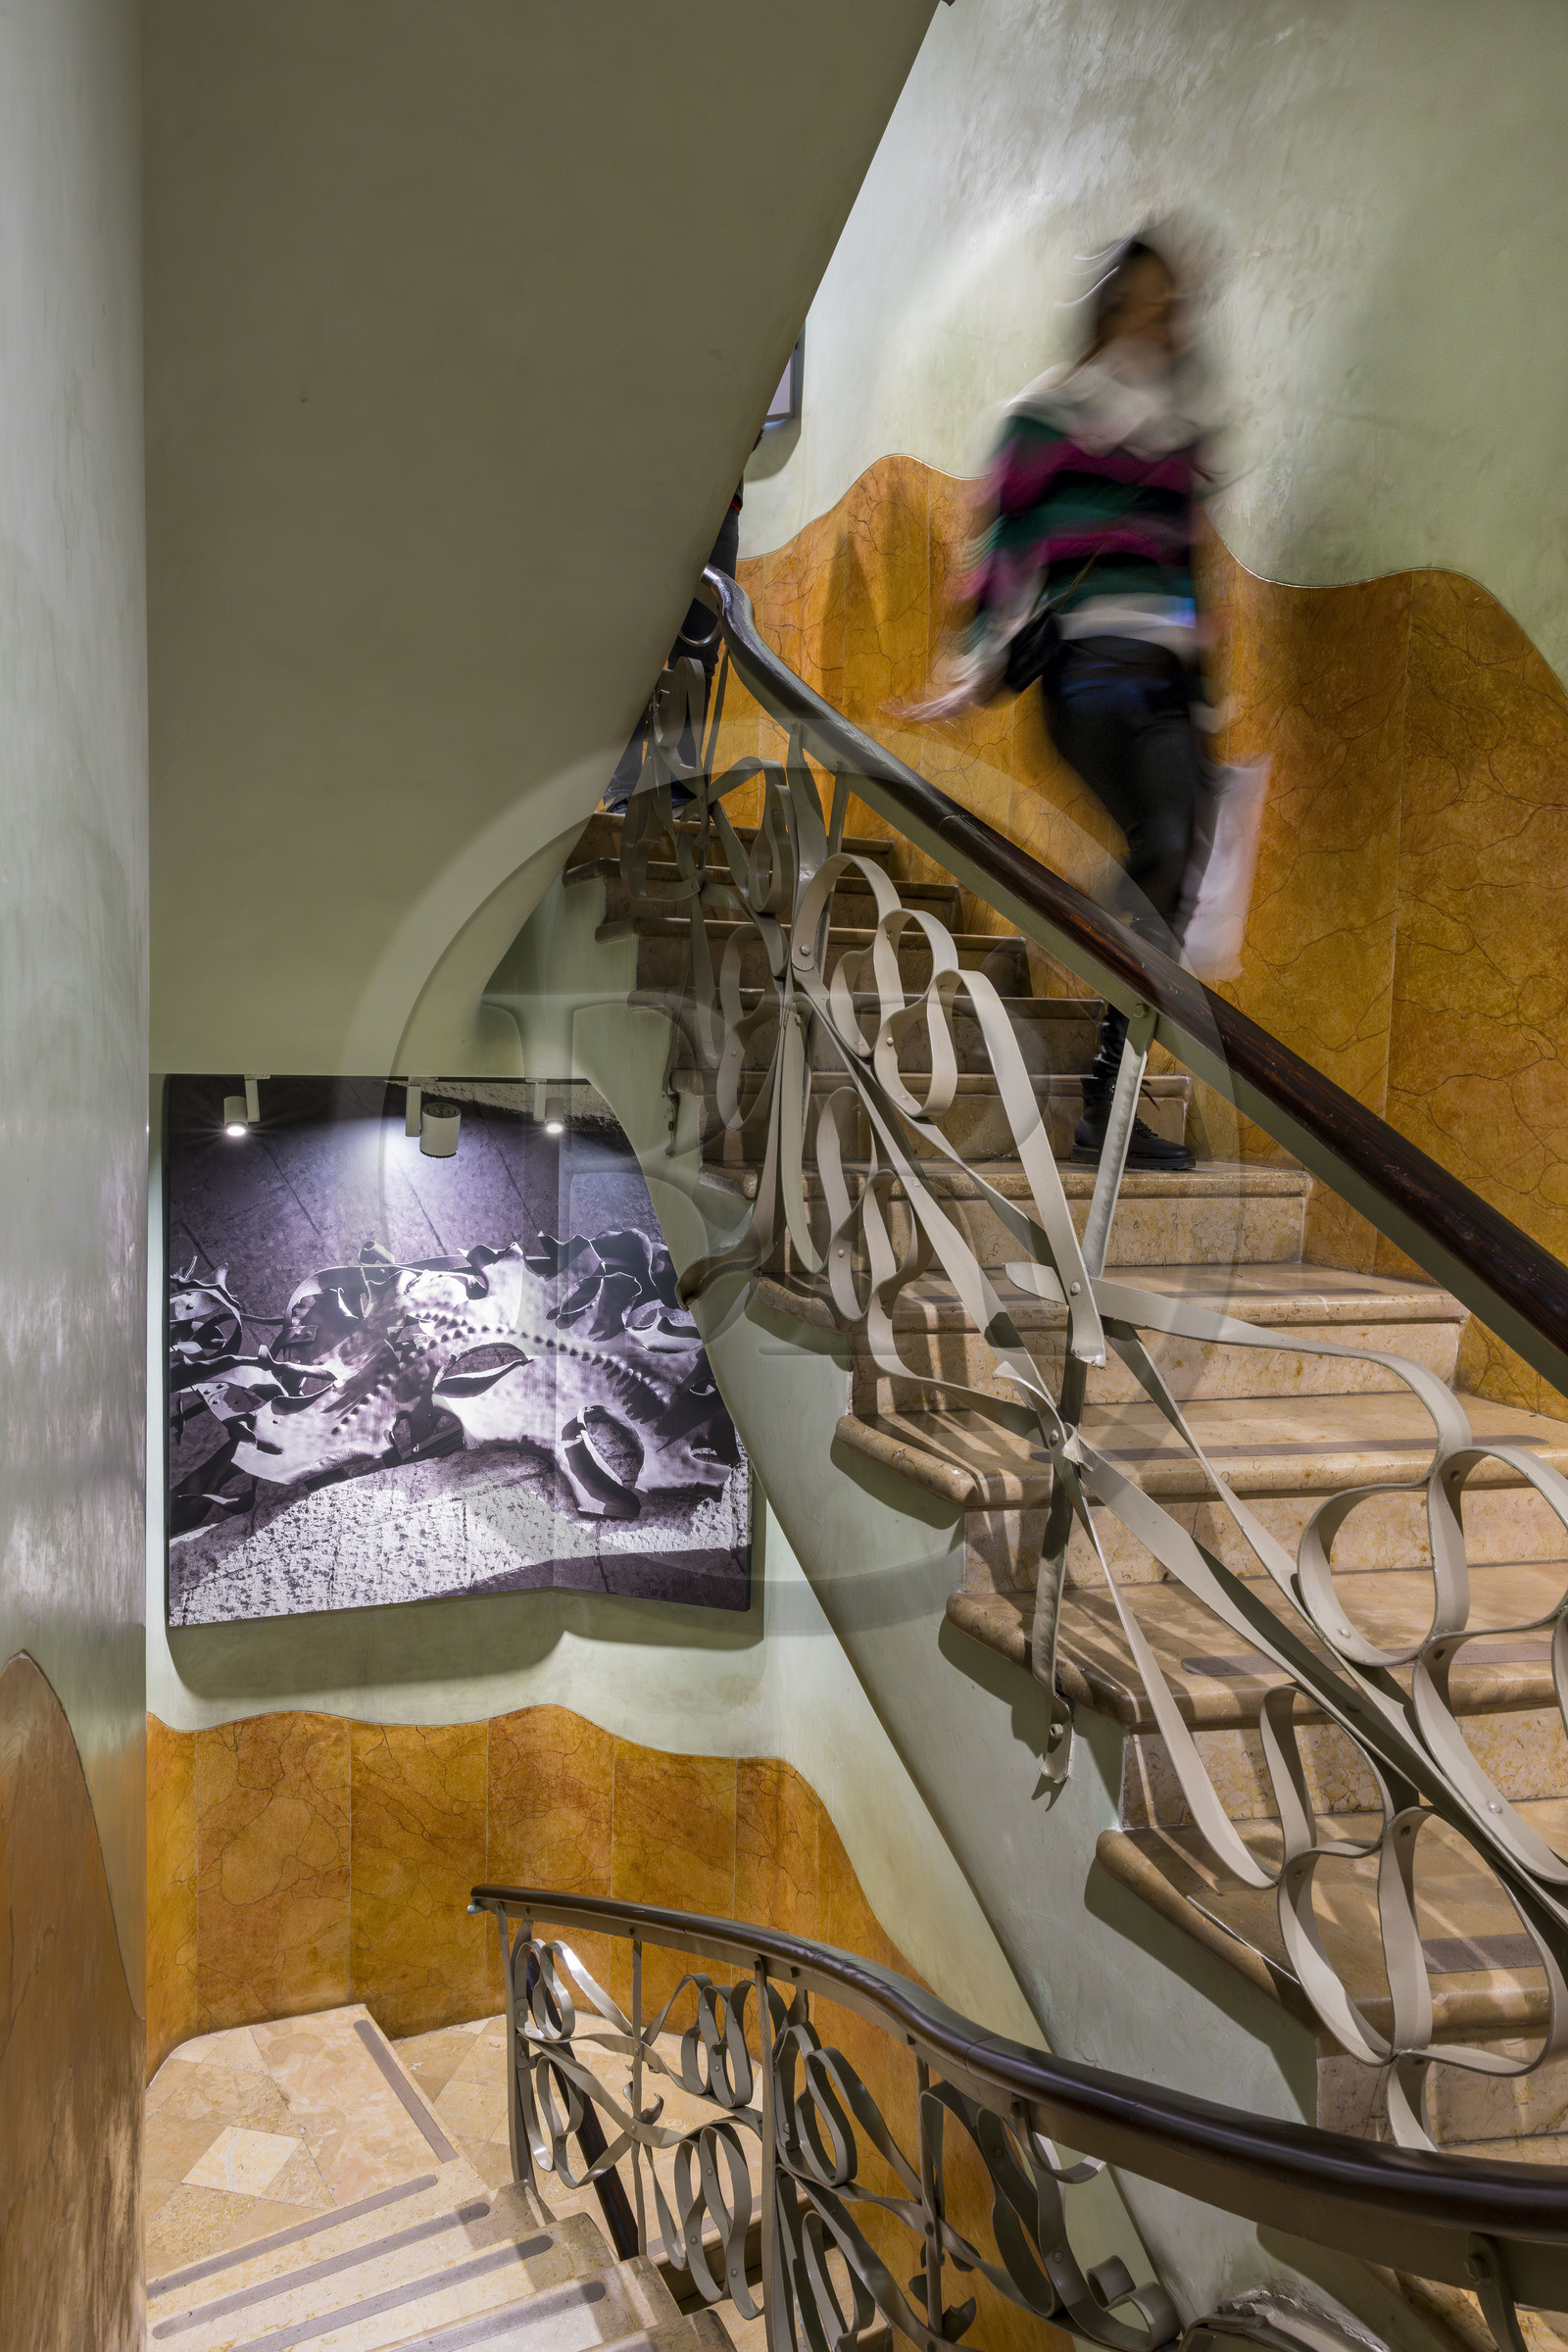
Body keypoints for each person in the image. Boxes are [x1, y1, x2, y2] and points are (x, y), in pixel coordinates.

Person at [926, 234, 1219, 1171]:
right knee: (1163, 861)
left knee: (1172, 871)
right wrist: (975, 669)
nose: (1163, 323)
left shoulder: (1183, 438)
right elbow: (1005, 545)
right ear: (1108, 311)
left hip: (1169, 683)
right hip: (1087, 671)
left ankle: (1108, 1104)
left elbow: (1189, 574)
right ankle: (1084, 970)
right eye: (1146, 303)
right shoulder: (1046, 418)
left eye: (1174, 307)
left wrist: (1211, 703)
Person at [604, 483, 743, 813]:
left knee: (700, 651)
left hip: (722, 501)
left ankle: (681, 786)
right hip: (654, 486)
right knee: (633, 646)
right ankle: (622, 788)